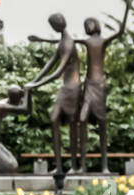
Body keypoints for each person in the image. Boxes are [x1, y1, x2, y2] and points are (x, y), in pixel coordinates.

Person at [78, 0, 134, 174]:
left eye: (87, 24)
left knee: (102, 124)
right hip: (88, 85)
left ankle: (104, 166)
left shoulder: (101, 42)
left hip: (100, 86)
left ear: (94, 25)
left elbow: (121, 32)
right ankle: (82, 166)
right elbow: (67, 40)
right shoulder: (87, 42)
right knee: (82, 119)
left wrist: (127, 8)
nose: (86, 27)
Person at [26, 14, 83, 177]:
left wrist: (36, 85)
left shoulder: (68, 43)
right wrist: (32, 81)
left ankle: (74, 166)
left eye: (52, 25)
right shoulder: (62, 42)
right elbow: (49, 65)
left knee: (73, 126)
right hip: (66, 88)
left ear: (57, 25)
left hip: (72, 88)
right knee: (54, 119)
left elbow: (57, 72)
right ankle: (59, 166)